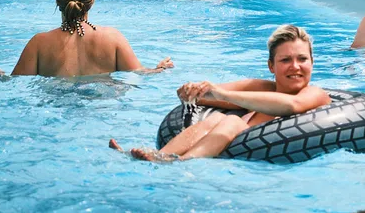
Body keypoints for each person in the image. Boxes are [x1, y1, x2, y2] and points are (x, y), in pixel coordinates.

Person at [109, 25, 330, 162]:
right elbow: (206, 97)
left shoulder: (315, 94)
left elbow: (292, 106)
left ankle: (177, 162)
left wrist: (223, 94)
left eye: (302, 59)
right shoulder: (262, 88)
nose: (295, 66)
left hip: (258, 151)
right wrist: (189, 92)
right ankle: (162, 155)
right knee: (217, 117)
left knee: (232, 121)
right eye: (285, 60)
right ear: (271, 66)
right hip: (226, 146)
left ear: (312, 62)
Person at [0, 0, 173, 77]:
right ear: (91, 1)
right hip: (100, 106)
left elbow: (15, 82)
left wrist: (0, 74)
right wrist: (159, 69)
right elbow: (140, 74)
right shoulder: (113, 38)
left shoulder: (39, 43)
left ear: (58, 1)